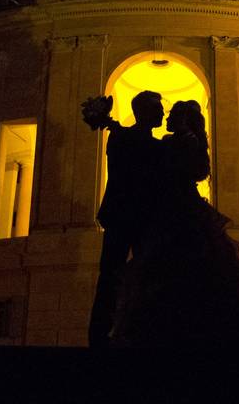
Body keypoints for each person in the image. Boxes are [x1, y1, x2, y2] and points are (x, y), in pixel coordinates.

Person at [110, 100, 239, 349]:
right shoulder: (187, 142)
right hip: (183, 208)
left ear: (184, 119)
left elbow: (157, 162)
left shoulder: (175, 143)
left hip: (175, 210)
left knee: (166, 266)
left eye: (172, 114)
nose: (167, 118)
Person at [85, 90, 164, 348]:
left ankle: (137, 332)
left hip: (136, 218)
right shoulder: (127, 139)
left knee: (141, 277)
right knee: (111, 277)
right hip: (128, 217)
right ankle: (102, 335)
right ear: (143, 111)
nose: (162, 112)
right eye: (157, 108)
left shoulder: (130, 138)